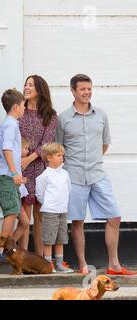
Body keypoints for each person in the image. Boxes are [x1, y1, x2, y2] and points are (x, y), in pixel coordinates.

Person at [56, 74, 136, 275]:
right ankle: (82, 265)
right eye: (82, 89)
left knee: (114, 216)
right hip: (73, 175)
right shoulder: (63, 118)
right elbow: (59, 148)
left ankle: (114, 265)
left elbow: (105, 143)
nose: (87, 92)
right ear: (73, 91)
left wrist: (93, 160)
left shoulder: (101, 115)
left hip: (97, 173)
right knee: (77, 220)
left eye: (89, 89)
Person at [19, 75, 58, 256]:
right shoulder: (20, 111)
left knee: (40, 214)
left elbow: (47, 143)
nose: (26, 88)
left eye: (31, 85)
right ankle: (24, 254)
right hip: (21, 166)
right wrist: (21, 153)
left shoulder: (50, 115)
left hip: (41, 169)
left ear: (40, 90)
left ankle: (42, 257)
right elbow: (15, 135)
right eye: (25, 85)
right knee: (25, 214)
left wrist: (30, 157)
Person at [0, 89, 30, 260]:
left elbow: (12, 150)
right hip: (7, 176)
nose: (25, 108)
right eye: (23, 105)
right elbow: (6, 148)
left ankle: (9, 249)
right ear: (16, 107)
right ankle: (1, 250)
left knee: (24, 221)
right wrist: (14, 172)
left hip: (12, 177)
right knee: (12, 213)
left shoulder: (12, 124)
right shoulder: (10, 124)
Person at [35, 143, 73, 273]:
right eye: (59, 155)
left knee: (61, 238)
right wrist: (49, 204)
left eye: (62, 155)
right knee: (49, 238)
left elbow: (68, 189)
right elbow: (40, 194)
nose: (62, 157)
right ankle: (48, 264)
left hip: (62, 210)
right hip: (50, 211)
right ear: (49, 157)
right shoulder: (44, 176)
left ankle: (59, 263)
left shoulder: (65, 174)